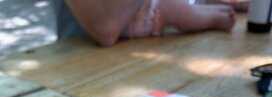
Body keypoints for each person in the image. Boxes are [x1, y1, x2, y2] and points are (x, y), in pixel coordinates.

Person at [54, 0, 236, 47]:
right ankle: (214, 17)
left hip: (143, 40)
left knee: (184, 11)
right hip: (87, 72)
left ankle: (214, 14)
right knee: (178, 11)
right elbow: (105, 31)